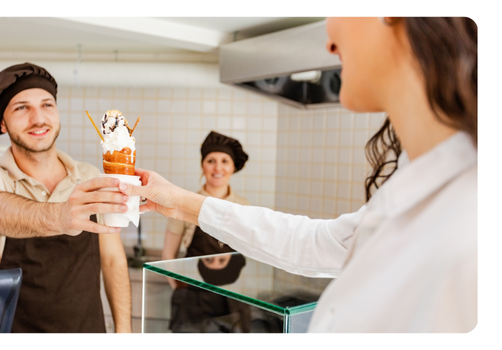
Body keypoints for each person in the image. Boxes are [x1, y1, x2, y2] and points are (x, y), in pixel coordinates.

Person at [115, 17, 477, 332]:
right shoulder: (413, 178)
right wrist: (178, 202)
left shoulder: (472, 220)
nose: (330, 43)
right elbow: (313, 243)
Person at [0, 63, 132, 333]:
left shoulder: (89, 176)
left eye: (47, 105)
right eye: (22, 107)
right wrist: (61, 216)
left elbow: (113, 260)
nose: (38, 118)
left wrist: (124, 332)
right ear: (3, 122)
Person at [162, 131, 250, 268]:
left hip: (228, 288)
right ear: (203, 166)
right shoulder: (183, 204)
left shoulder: (244, 207)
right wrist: (179, 288)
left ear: (233, 167)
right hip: (191, 286)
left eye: (225, 161)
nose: (218, 168)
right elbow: (168, 256)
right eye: (211, 161)